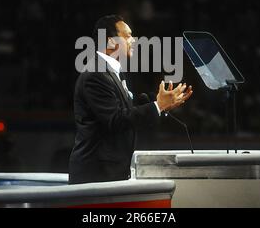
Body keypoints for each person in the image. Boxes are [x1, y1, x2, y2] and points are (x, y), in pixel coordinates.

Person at [68, 15, 193, 184]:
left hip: (110, 173)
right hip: (96, 176)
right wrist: (157, 106)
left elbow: (126, 110)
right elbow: (115, 119)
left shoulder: (113, 71)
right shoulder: (95, 74)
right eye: (127, 36)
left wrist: (161, 105)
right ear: (111, 42)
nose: (133, 40)